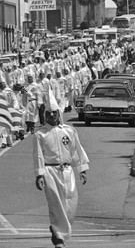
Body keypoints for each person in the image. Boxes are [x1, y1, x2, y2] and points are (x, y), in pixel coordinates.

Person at [32, 88, 89, 248]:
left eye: (54, 113)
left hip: (68, 171)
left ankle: (61, 230)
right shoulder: (40, 134)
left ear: (59, 113)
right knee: (56, 203)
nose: (51, 116)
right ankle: (58, 236)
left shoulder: (69, 131)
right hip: (51, 172)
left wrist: (82, 169)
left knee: (71, 203)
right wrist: (40, 175)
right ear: (45, 115)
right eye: (48, 113)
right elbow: (38, 156)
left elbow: (76, 151)